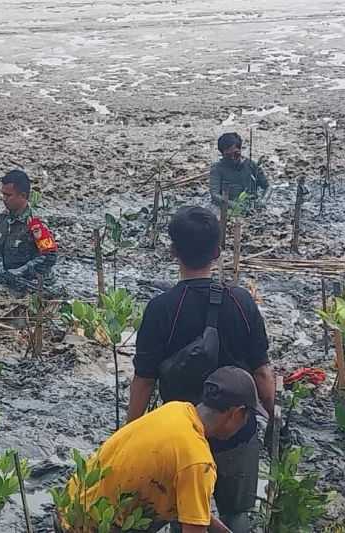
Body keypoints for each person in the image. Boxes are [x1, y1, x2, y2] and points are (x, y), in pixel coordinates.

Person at [128, 206, 274, 533]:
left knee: (187, 517)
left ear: (173, 251)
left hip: (182, 439)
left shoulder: (160, 309)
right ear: (218, 252)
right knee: (238, 516)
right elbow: (263, 372)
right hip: (237, 433)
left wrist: (131, 432)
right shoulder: (242, 302)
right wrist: (271, 414)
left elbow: (144, 381)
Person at [57, 366, 268, 533]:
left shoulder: (175, 411)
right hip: (90, 528)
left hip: (68, 510)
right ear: (238, 414)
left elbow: (190, 505)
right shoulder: (198, 462)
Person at [0, 169, 57, 278]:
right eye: (3, 194)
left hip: (33, 280)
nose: (4, 199)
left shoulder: (36, 224)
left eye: (8, 195)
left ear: (23, 196)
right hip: (8, 274)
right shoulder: (2, 218)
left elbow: (49, 256)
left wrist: (21, 271)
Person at [209, 133, 268, 209]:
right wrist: (233, 205)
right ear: (222, 154)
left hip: (250, 203)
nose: (233, 158)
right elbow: (214, 195)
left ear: (240, 150)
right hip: (230, 205)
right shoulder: (217, 168)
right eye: (228, 155)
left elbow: (267, 187)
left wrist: (263, 200)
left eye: (236, 154)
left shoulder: (251, 164)